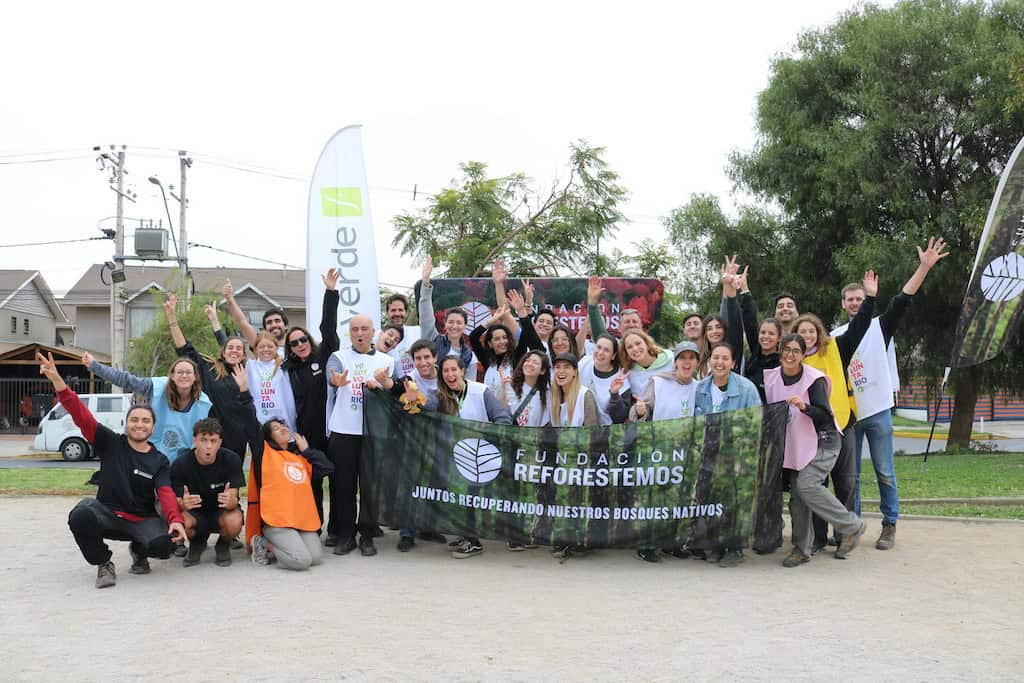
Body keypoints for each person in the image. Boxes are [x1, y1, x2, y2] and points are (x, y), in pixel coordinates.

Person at [834, 237, 949, 551]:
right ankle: (852, 527)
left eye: (859, 298)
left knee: (884, 471)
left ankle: (889, 524)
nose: (855, 303)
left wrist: (924, 267)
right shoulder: (834, 337)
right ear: (843, 304)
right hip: (850, 416)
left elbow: (903, 299)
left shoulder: (879, 327)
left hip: (878, 411)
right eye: (850, 300)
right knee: (851, 477)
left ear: (866, 299)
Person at [39, 351, 186, 589]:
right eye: (135, 420)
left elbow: (166, 493)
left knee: (164, 546)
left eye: (145, 421)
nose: (139, 425)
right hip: (107, 514)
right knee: (81, 515)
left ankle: (139, 550)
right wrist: (57, 380)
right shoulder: (110, 442)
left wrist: (175, 520)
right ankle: (104, 562)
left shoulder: (159, 460)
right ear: (127, 423)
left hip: (141, 519)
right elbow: (80, 414)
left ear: (153, 427)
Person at [764, 334, 866, 567]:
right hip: (796, 445)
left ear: (803, 355)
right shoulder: (771, 378)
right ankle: (802, 549)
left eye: (796, 351)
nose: (790, 355)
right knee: (797, 498)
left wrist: (805, 407)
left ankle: (852, 525)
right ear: (780, 352)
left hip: (824, 441)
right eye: (786, 349)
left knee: (806, 485)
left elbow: (826, 417)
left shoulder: (813, 380)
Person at [794, 271, 877, 552]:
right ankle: (819, 538)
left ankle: (845, 537)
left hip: (842, 424)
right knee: (818, 484)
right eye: (802, 331)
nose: (807, 335)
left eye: (811, 330)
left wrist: (870, 298)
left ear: (818, 332)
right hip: (810, 430)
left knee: (846, 482)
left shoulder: (836, 348)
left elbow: (859, 327)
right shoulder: (793, 360)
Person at [241, 357, 333, 570]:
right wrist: (244, 391)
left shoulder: (299, 457)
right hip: (277, 520)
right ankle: (263, 543)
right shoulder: (264, 453)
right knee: (301, 561)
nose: (282, 428)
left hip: (300, 519)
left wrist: (307, 451)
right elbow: (250, 422)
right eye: (275, 428)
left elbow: (327, 468)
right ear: (269, 437)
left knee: (316, 558)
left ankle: (289, 544)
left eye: (283, 426)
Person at [424, 356, 512, 559]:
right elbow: (427, 406)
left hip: (478, 455)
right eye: (445, 371)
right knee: (459, 499)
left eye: (453, 370)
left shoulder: (480, 391)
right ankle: (465, 535)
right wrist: (414, 398)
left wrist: (484, 434)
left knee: (470, 498)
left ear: (462, 371)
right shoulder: (441, 395)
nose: (450, 375)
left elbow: (503, 418)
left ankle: (473, 542)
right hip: (454, 456)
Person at [326, 314, 395, 557]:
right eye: (355, 329)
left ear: (373, 332)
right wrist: (336, 381)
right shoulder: (339, 357)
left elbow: (394, 390)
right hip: (344, 430)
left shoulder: (387, 360)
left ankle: (367, 534)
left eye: (364, 329)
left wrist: (383, 385)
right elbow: (332, 376)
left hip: (373, 433)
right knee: (343, 486)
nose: (359, 333)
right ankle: (346, 535)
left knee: (370, 486)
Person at [282, 269, 342, 533]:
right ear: (290, 348)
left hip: (332, 430)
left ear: (309, 339)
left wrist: (330, 292)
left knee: (338, 480)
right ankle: (314, 526)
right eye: (294, 343)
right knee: (312, 481)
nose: (300, 344)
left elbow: (328, 328)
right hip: (306, 434)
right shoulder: (287, 370)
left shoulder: (325, 355)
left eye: (303, 339)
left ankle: (337, 530)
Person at [630, 340, 701, 562]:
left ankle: (674, 543)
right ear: (675, 362)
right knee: (654, 500)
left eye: (691, 358)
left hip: (685, 453)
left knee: (679, 499)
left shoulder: (700, 387)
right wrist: (640, 410)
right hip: (658, 450)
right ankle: (646, 544)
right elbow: (640, 411)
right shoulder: (658, 382)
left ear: (697, 363)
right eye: (683, 358)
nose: (687, 363)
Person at [374, 339, 446, 551]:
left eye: (427, 357)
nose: (423, 362)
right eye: (418, 358)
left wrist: (421, 401)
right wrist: (383, 381)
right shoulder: (409, 379)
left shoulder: (445, 378)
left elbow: (447, 402)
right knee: (409, 485)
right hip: (412, 440)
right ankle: (407, 533)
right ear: (413, 360)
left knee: (436, 484)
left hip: (440, 439)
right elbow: (394, 386)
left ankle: (429, 527)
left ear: (435, 358)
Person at [693, 342, 761, 567]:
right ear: (709, 361)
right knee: (711, 500)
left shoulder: (746, 388)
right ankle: (716, 544)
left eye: (725, 358)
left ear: (733, 363)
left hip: (737, 454)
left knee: (734, 501)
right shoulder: (701, 388)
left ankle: (735, 548)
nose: (719, 362)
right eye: (715, 357)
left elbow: (756, 422)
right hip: (709, 454)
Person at [80, 352, 212, 462]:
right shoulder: (156, 387)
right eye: (180, 372)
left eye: (188, 372)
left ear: (195, 377)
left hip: (180, 462)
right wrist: (94, 365)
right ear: (172, 376)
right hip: (147, 455)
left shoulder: (204, 404)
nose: (184, 375)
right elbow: (125, 380)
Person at [167, 294, 250, 459]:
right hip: (209, 437)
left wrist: (215, 321)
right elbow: (185, 349)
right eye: (230, 348)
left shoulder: (249, 373)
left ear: (243, 354)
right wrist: (171, 317)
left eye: (238, 349)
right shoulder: (210, 369)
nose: (234, 351)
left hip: (236, 440)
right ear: (223, 352)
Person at [171, 417, 245, 567]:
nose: (208, 446)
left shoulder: (231, 459)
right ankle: (197, 543)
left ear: (220, 442)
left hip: (221, 512)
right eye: (203, 440)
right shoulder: (180, 464)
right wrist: (183, 503)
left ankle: (223, 545)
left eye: (213, 441)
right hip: (195, 513)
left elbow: (234, 500)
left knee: (234, 521)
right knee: (178, 521)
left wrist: (230, 501)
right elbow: (176, 503)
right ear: (194, 441)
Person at [418, 256, 477, 379]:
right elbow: (425, 317)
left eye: (459, 323)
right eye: (451, 322)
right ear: (445, 324)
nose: (454, 326)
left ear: (465, 326)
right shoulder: (433, 340)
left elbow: (469, 385)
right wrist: (426, 283)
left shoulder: (469, 356)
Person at [221, 278, 289, 352]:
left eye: (277, 321)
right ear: (265, 329)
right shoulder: (260, 346)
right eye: (269, 322)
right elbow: (242, 322)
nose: (274, 325)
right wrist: (230, 298)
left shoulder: (295, 348)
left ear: (286, 326)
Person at [578, 333, 631, 425]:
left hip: (606, 429)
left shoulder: (622, 380)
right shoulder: (584, 362)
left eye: (606, 350)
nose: (600, 352)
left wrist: (614, 394)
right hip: (580, 424)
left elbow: (619, 418)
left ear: (613, 356)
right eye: (598, 347)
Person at [247, 331, 296, 430]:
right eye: (261, 347)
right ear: (255, 349)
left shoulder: (284, 366)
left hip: (283, 422)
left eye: (270, 346)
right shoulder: (250, 366)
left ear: (276, 348)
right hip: (259, 423)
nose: (266, 349)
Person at [503, 350, 551, 427]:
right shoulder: (512, 387)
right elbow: (504, 411)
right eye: (527, 360)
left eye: (535, 362)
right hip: (513, 433)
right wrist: (505, 387)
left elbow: (545, 423)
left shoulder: (546, 394)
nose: (530, 364)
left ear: (542, 371)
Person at [618, 330, 673, 397]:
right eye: (629, 347)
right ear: (626, 352)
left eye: (638, 343)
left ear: (647, 343)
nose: (635, 349)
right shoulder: (628, 373)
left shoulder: (672, 361)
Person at [382, 292, 422, 377]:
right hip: (393, 383)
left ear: (406, 313)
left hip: (420, 382)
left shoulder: (418, 331)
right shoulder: (379, 337)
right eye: (393, 310)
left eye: (400, 310)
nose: (397, 314)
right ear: (387, 313)